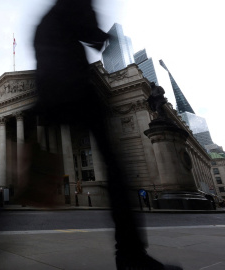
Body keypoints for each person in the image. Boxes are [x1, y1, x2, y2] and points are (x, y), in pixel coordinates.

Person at [30, 1, 182, 269]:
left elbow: (48, 44)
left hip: (55, 90)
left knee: (42, 169)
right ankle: (130, 253)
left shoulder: (47, 18)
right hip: (75, 88)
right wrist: (102, 37)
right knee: (114, 165)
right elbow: (87, 31)